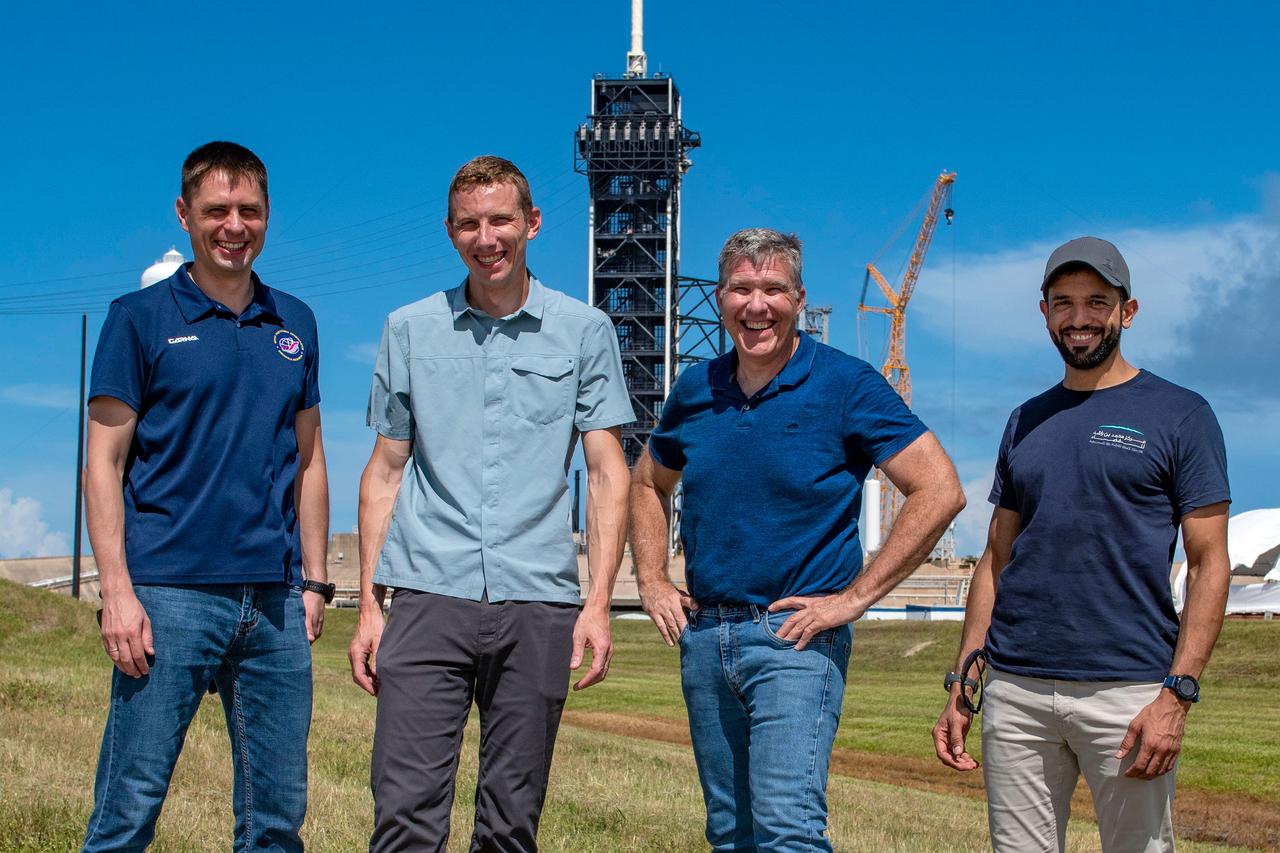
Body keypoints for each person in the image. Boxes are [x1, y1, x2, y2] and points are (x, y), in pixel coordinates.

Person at [630, 228, 965, 852]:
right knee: (730, 835)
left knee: (788, 832)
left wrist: (854, 598)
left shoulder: (847, 385)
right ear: (721, 298)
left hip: (794, 639)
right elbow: (648, 482)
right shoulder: (695, 391)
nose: (757, 305)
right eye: (741, 288)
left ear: (800, 298)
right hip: (705, 639)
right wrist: (650, 579)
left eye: (773, 289)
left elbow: (939, 489)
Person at [349, 155, 634, 852]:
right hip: (426, 591)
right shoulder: (409, 329)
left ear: (531, 223)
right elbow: (385, 472)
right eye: (471, 224)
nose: (488, 237)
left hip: (538, 600)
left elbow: (606, 472)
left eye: (502, 219)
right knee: (405, 819)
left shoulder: (584, 330)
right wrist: (368, 605)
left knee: (511, 825)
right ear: (451, 232)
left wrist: (597, 602)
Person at [932, 236, 1232, 852]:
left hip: (1127, 692)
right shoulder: (1025, 420)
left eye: (1097, 301)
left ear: (1128, 311)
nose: (1079, 317)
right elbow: (995, 557)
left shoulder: (1181, 414)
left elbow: (1208, 564)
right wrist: (965, 677)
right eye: (1063, 302)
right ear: (1043, 312)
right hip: (1017, 690)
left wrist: (1177, 694)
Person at [82, 141, 331, 851]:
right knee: (128, 808)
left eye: (248, 210)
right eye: (217, 209)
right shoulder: (138, 316)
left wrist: (314, 580)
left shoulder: (296, 324)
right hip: (167, 595)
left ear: (267, 216)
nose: (233, 225)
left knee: (277, 820)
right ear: (184, 213)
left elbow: (309, 459)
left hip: (276, 603)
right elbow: (103, 461)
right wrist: (118, 591)